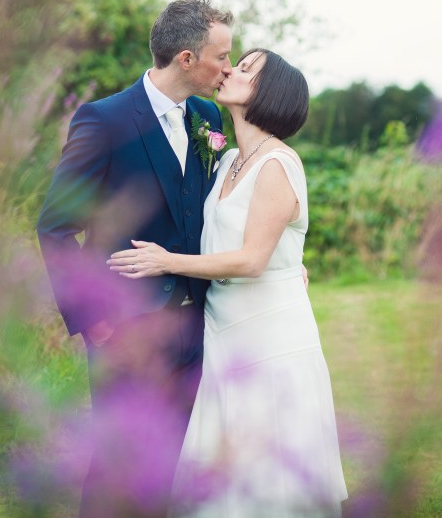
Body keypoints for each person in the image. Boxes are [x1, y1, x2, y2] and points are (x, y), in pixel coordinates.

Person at [109, 48, 348, 517]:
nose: (229, 70)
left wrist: (167, 262)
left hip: (271, 337)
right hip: (225, 331)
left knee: (271, 470)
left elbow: (254, 260)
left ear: (267, 92)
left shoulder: (278, 163)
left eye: (245, 69)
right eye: (235, 62)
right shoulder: (228, 159)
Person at [37, 0, 233, 517]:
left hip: (197, 327)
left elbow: (213, 208)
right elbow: (55, 227)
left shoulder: (210, 117)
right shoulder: (104, 120)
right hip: (124, 331)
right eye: (222, 56)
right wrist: (93, 321)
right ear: (187, 59)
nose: (229, 69)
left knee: (172, 462)